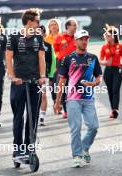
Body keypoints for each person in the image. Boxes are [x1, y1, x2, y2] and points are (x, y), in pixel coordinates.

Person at [54, 30, 102, 168]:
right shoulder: (67, 59)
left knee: (93, 126)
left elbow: (99, 75)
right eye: (81, 39)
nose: (84, 41)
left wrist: (94, 83)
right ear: (76, 41)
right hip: (72, 98)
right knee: (76, 128)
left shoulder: (93, 58)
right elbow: (62, 80)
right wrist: (58, 101)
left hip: (88, 98)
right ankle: (76, 155)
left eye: (86, 39)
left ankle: (84, 148)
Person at [6, 8, 46, 157]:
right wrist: (12, 76)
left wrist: (42, 76)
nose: (39, 23)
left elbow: (41, 58)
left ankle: (30, 147)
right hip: (19, 83)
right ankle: (18, 148)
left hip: (35, 81)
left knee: (33, 116)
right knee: (19, 116)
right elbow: (8, 58)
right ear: (29, 22)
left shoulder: (38, 37)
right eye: (37, 21)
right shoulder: (14, 37)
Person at [100, 24, 122, 119]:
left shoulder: (120, 46)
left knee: (115, 89)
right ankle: (112, 110)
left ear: (113, 36)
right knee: (110, 90)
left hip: (117, 70)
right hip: (108, 70)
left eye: (108, 35)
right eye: (106, 35)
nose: (106, 37)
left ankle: (115, 109)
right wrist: (105, 62)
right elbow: (100, 60)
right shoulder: (104, 47)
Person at [53, 18, 77, 118]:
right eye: (74, 25)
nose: (76, 27)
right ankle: (64, 109)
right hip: (62, 64)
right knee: (62, 86)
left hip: (75, 65)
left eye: (76, 25)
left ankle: (71, 109)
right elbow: (55, 51)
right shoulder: (60, 37)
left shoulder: (77, 38)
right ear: (68, 26)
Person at [39, 25, 57, 126]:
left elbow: (53, 61)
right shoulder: (29, 44)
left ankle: (41, 117)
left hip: (44, 75)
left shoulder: (49, 46)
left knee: (43, 95)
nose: (38, 33)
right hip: (30, 75)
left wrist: (50, 76)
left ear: (44, 34)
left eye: (40, 32)